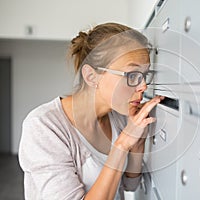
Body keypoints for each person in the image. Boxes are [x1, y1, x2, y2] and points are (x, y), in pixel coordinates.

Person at [18, 22, 164, 200]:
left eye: (145, 75)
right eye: (132, 75)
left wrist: (138, 140)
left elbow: (130, 184)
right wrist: (123, 144)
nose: (143, 86)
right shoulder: (43, 126)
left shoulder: (119, 116)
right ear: (91, 76)